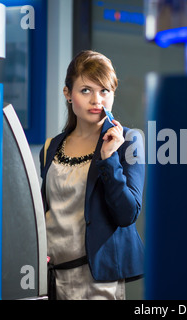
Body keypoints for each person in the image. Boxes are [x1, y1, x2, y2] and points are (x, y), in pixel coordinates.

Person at [39, 50, 145, 300]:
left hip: (97, 279)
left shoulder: (129, 142)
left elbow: (127, 214)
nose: (96, 100)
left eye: (104, 91)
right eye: (86, 90)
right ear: (68, 94)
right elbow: (46, 211)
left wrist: (109, 159)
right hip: (51, 276)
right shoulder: (50, 147)